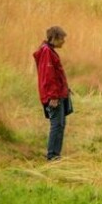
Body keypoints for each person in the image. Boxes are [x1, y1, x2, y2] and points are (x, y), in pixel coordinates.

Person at [33, 25, 72, 161]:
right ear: (54, 38)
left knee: (60, 124)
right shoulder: (47, 52)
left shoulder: (49, 51)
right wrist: (53, 96)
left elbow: (55, 75)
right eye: (62, 38)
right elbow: (48, 77)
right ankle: (52, 156)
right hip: (54, 96)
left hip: (58, 94)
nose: (64, 41)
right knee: (56, 124)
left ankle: (56, 154)